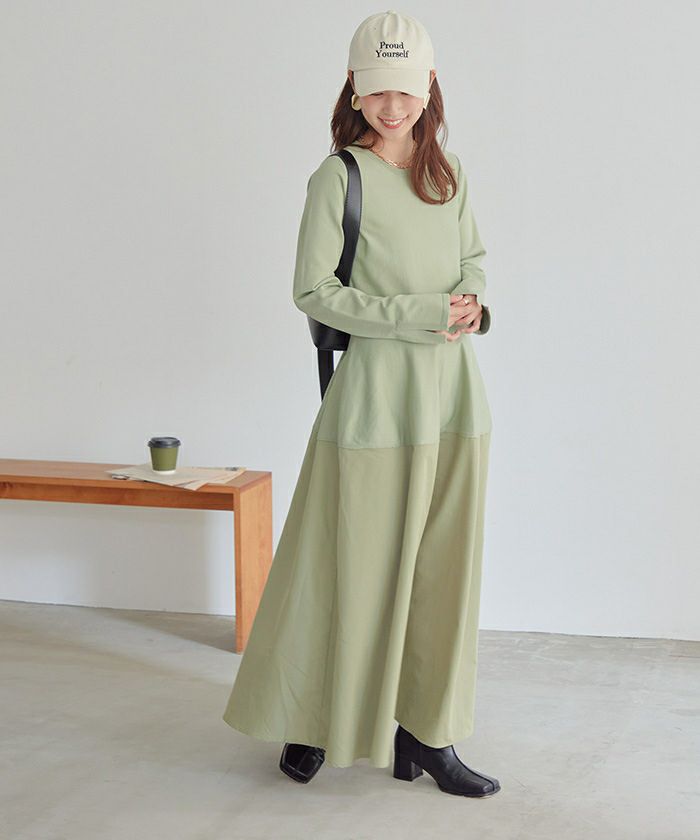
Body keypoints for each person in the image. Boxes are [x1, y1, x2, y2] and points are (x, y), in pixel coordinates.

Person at [221, 9, 500, 798]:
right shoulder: (338, 178)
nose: (392, 106)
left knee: (444, 574)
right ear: (353, 87)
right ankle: (312, 717)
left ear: (430, 86)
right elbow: (314, 292)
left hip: (454, 400)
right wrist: (421, 312)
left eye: (406, 90)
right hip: (376, 400)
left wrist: (473, 302)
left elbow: (474, 259)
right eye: (377, 91)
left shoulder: (450, 173)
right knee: (344, 568)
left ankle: (429, 734)